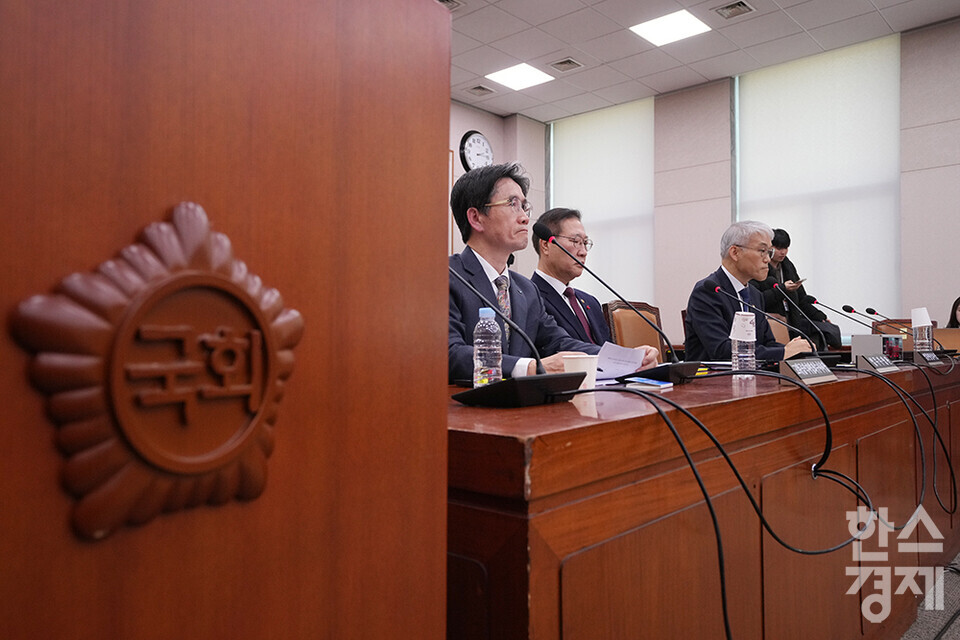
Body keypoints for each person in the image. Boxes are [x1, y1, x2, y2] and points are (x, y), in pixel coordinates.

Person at [448, 163, 658, 382]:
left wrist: (627, 360)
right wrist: (530, 367)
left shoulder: (526, 289)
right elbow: (449, 353)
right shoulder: (447, 276)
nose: (525, 217)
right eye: (512, 204)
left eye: (524, 206)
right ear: (476, 218)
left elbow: (558, 342)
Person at [684, 220, 811, 362]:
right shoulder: (708, 292)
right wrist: (783, 352)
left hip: (752, 373)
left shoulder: (755, 294)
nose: (767, 259)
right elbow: (722, 351)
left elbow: (767, 343)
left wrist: (795, 351)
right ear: (735, 252)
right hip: (712, 375)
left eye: (769, 252)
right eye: (762, 251)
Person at [530, 208, 610, 346]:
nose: (583, 252)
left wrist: (635, 355)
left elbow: (609, 351)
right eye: (576, 241)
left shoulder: (590, 302)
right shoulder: (530, 298)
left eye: (585, 243)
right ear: (546, 245)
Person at [752, 228, 841, 350]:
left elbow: (801, 299)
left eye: (786, 248)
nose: (783, 252)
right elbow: (757, 299)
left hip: (793, 319)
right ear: (769, 248)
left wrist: (819, 316)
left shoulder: (788, 266)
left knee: (821, 330)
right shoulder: (759, 267)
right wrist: (782, 289)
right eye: (779, 248)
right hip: (772, 322)